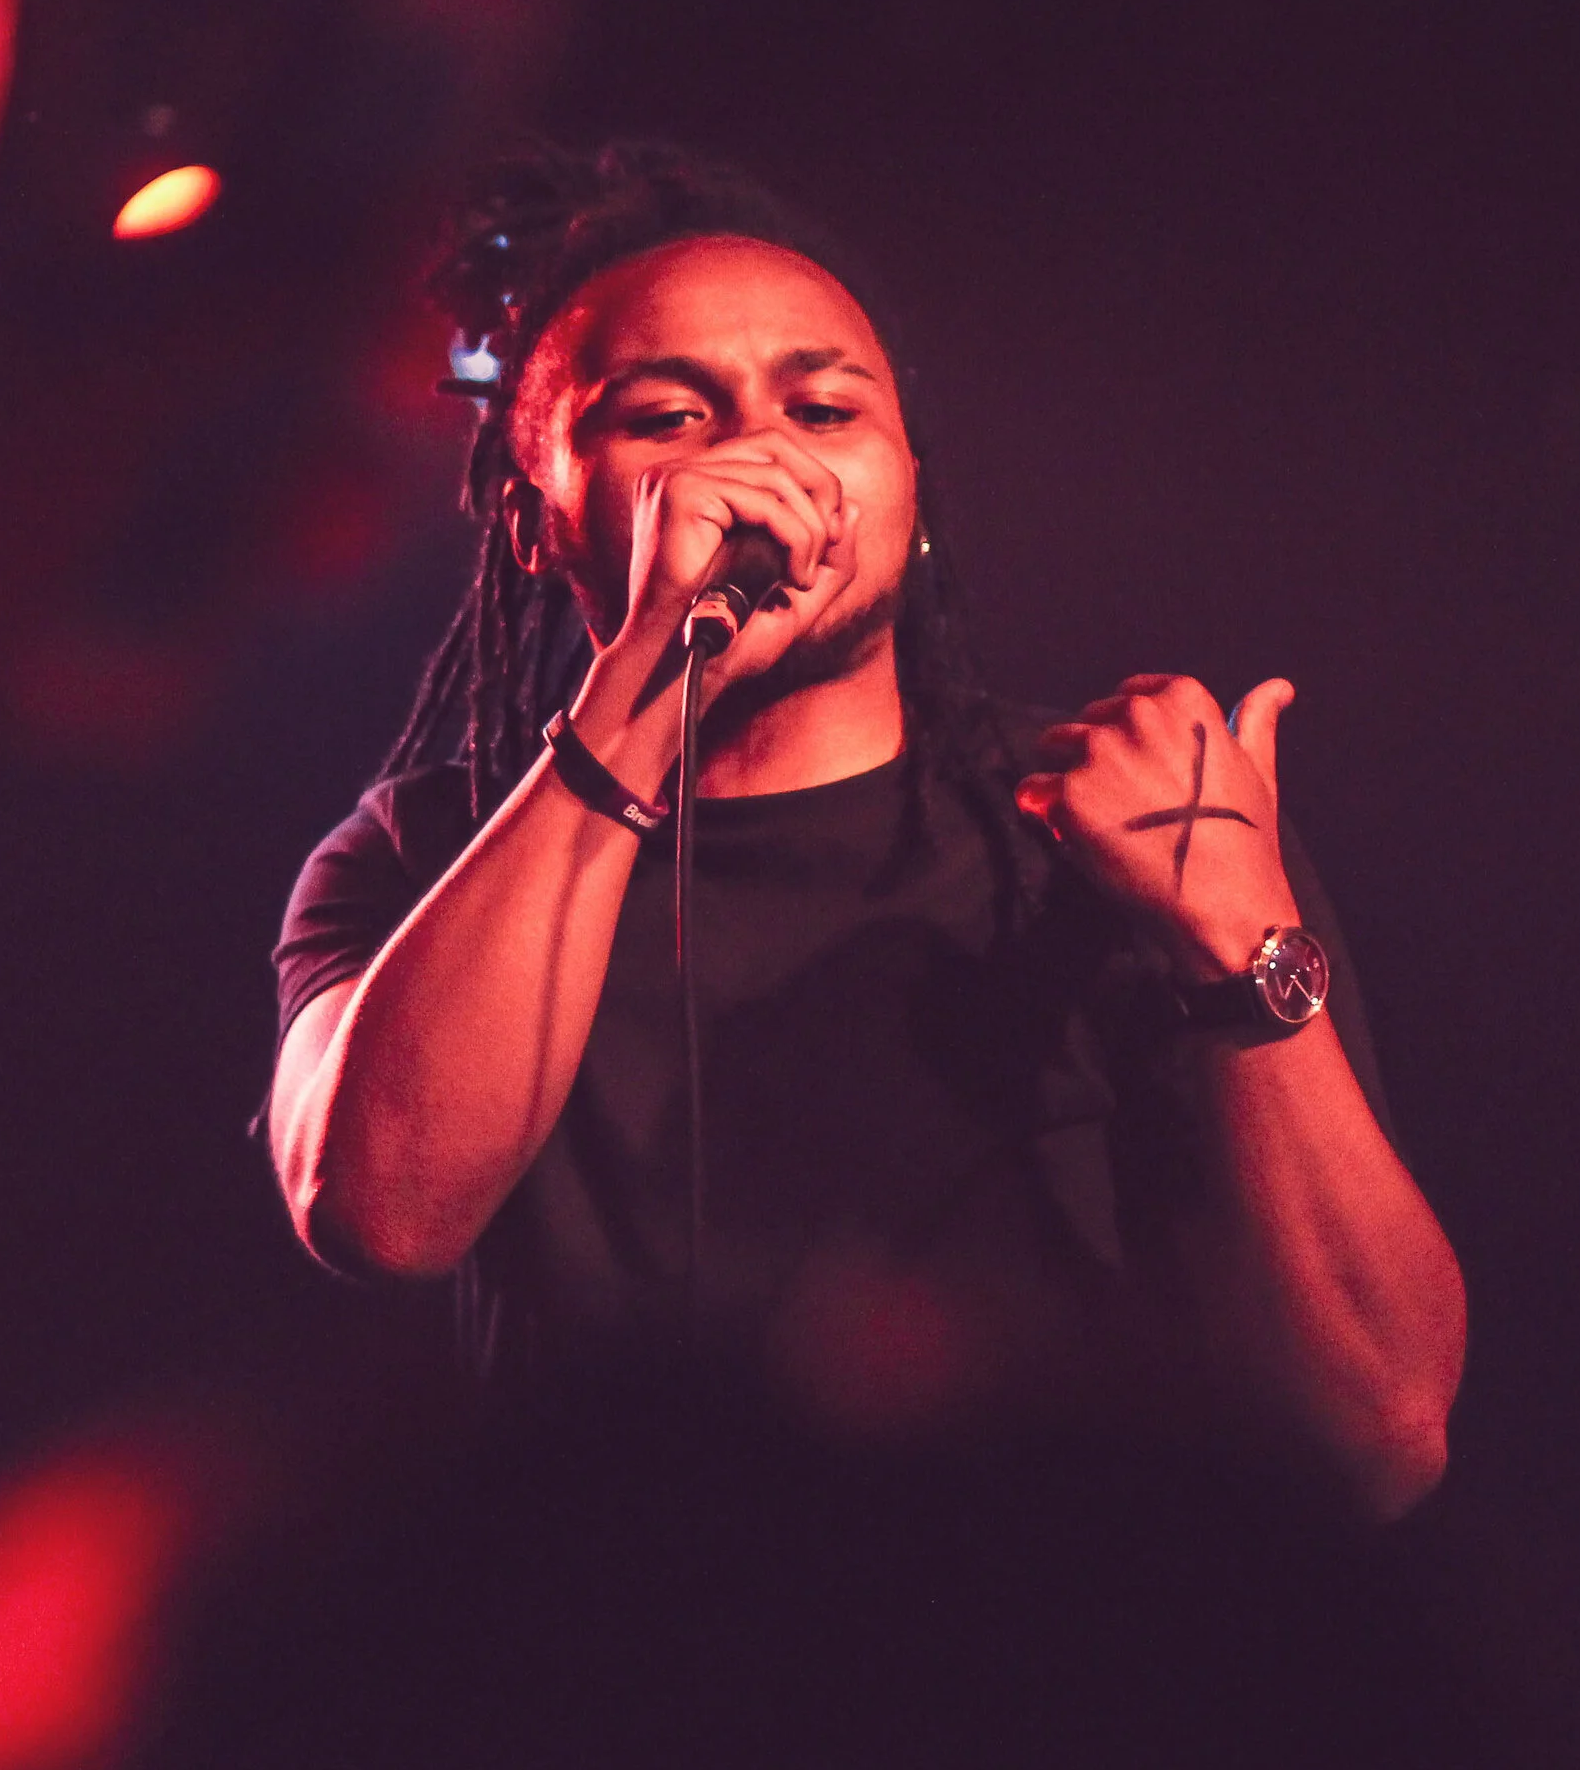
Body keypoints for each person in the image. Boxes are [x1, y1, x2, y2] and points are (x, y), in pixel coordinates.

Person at [269, 144, 1464, 1517]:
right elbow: (385, 1212)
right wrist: (646, 684)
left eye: (825, 409)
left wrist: (1241, 948)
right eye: (667, 418)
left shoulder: (1122, 821)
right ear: (539, 522)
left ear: (910, 489)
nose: (758, 458)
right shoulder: (430, 852)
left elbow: (1384, 1434)